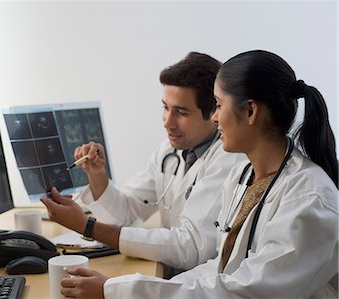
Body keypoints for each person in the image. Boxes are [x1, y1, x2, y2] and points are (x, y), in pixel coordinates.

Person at [55, 50, 339, 298]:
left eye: (218, 104)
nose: (215, 117)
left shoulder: (308, 199)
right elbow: (220, 268)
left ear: (250, 111)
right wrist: (124, 288)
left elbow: (248, 292)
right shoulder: (244, 176)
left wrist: (120, 290)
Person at [42, 52, 245, 276]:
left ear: (214, 112)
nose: (168, 122)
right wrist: (97, 174)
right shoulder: (169, 152)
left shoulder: (230, 161)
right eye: (165, 107)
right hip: (174, 275)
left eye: (181, 112)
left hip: (199, 285)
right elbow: (126, 214)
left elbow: (192, 247)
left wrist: (87, 226)